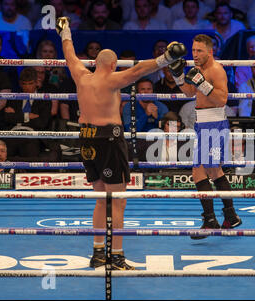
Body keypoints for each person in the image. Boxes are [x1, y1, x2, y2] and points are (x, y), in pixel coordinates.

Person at [56, 16, 186, 269]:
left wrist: (65, 31)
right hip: (109, 139)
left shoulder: (82, 75)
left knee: (100, 197)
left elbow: (70, 55)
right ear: (114, 64)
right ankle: (116, 256)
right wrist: (166, 58)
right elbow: (139, 70)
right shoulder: (112, 79)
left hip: (86, 138)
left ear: (95, 63)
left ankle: (97, 254)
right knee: (118, 199)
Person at [168, 33, 242, 239]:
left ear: (210, 51)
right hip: (204, 123)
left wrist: (203, 83)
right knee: (214, 171)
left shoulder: (216, 70)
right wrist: (178, 76)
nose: (195, 54)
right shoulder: (198, 69)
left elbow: (221, 99)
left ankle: (211, 220)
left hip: (214, 123)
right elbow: (189, 93)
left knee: (199, 172)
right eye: (193, 50)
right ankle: (230, 216)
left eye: (199, 50)